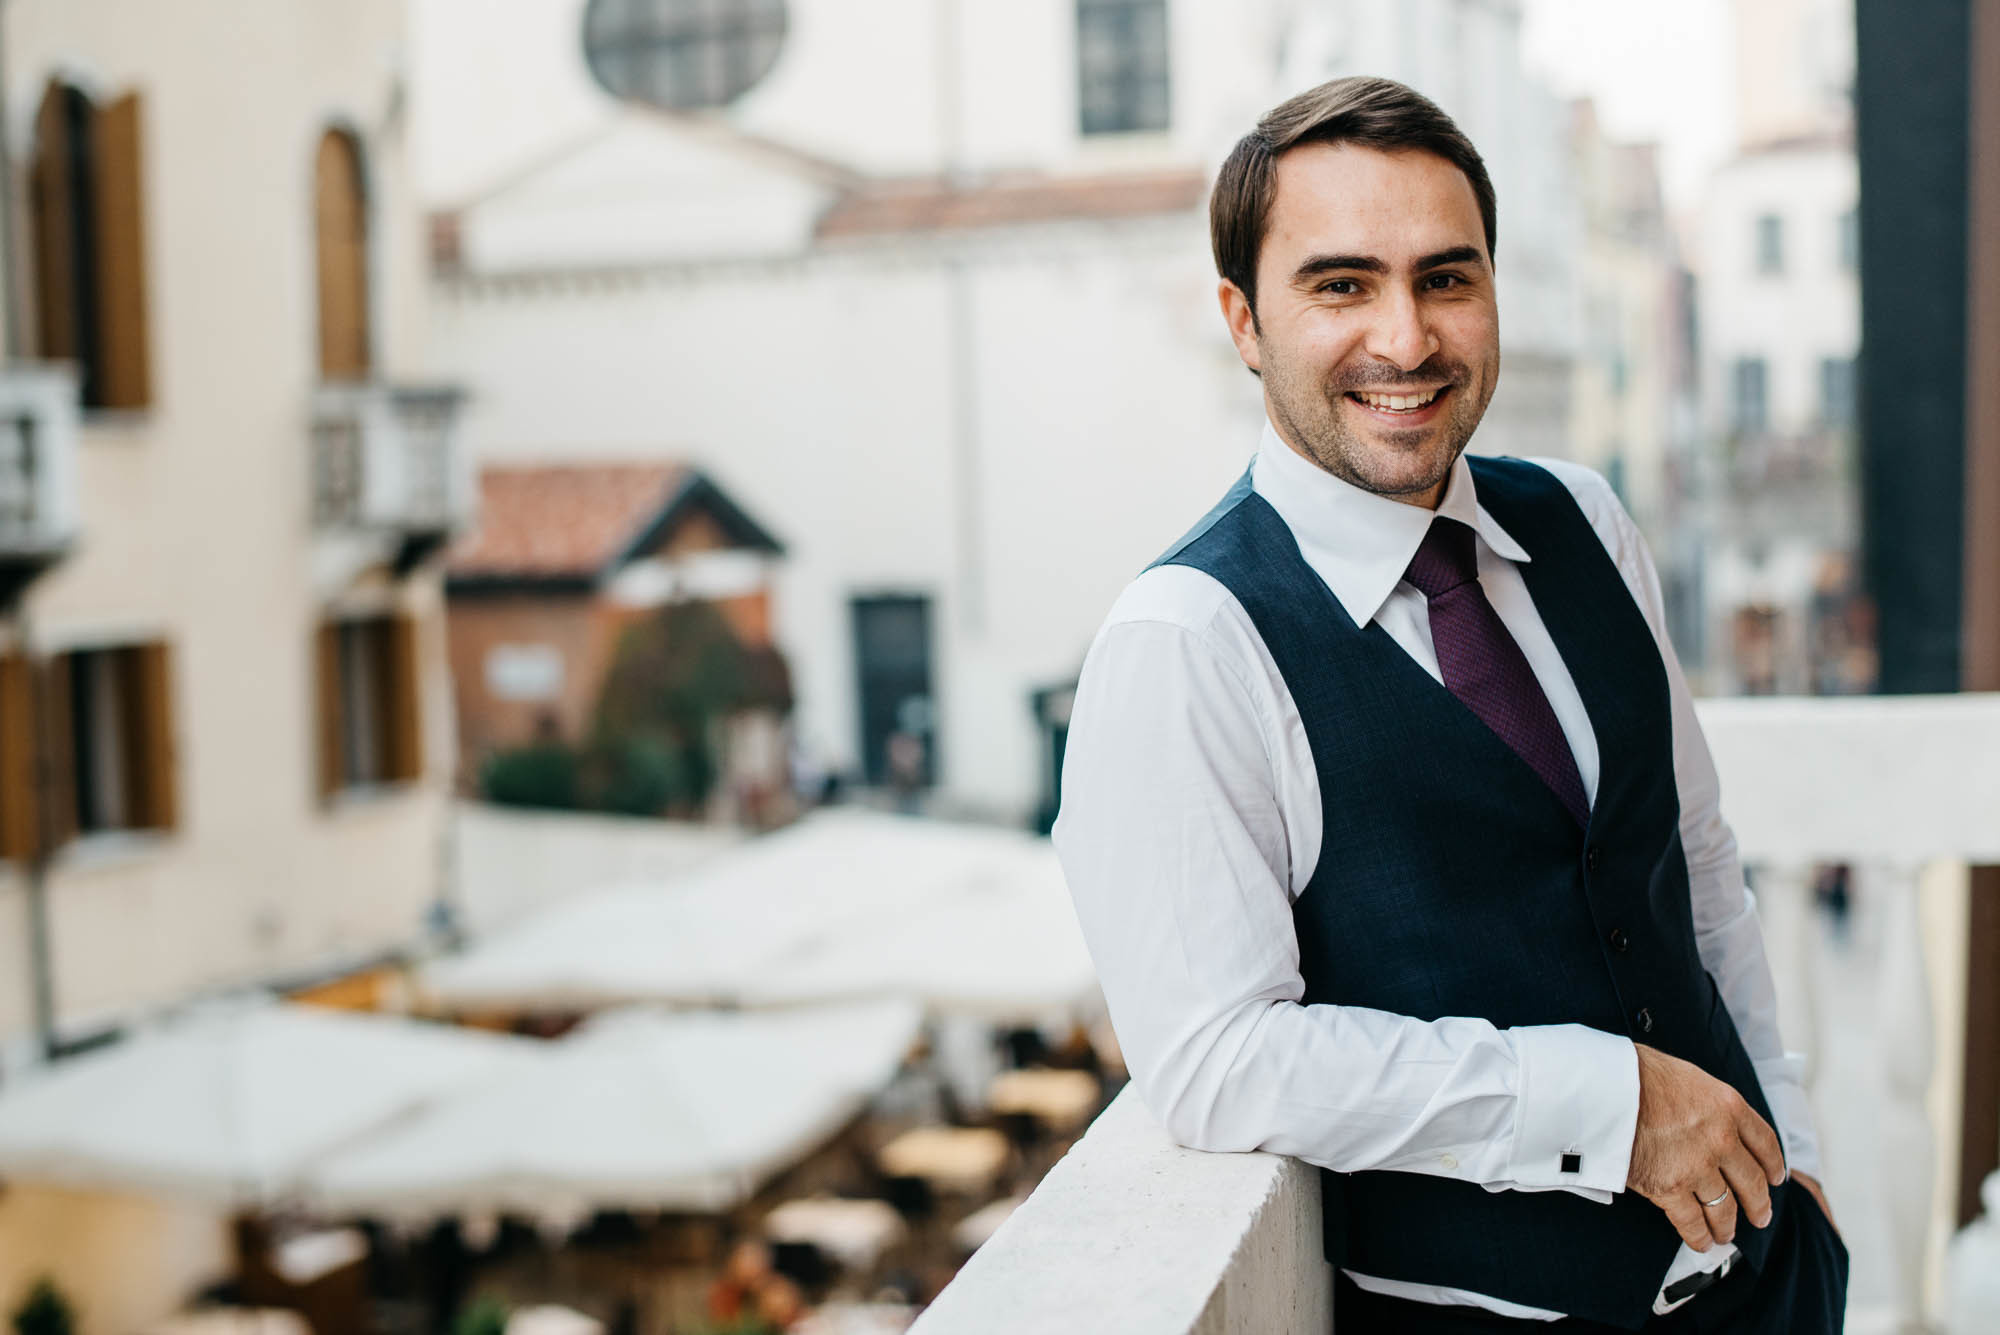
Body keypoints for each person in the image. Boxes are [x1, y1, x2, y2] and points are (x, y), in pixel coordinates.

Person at [1052, 77, 1848, 1331]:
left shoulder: (1582, 519)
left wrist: (1794, 1154)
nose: (1405, 340)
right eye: (1339, 284)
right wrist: (1606, 1101)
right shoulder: (1185, 643)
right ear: (1241, 320)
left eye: (1444, 277)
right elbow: (1214, 1062)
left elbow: (1690, 867)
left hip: (1767, 1285)